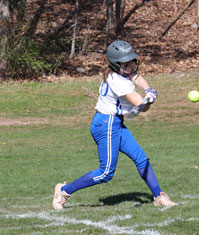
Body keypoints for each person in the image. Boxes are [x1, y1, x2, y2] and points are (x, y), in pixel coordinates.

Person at [52, 40, 176, 210]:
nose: (130, 66)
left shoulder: (121, 72)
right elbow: (139, 104)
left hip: (115, 123)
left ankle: (158, 196)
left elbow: (137, 77)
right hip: (106, 124)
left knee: (141, 159)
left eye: (132, 61)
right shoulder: (117, 81)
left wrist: (149, 90)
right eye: (126, 63)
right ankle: (64, 191)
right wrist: (148, 101)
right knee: (105, 173)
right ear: (116, 64)